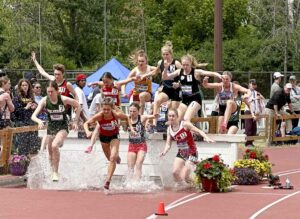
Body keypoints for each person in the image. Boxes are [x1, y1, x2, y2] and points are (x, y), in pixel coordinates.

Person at [31, 81, 81, 181]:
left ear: (57, 91)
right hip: (51, 128)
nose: (50, 94)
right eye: (48, 92)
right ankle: (51, 172)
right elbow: (33, 116)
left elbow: (78, 106)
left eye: (52, 92)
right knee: (50, 153)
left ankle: (55, 172)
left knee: (54, 145)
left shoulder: (63, 99)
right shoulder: (44, 101)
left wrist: (75, 121)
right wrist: (39, 121)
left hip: (63, 127)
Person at [83, 97, 133, 190]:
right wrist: (87, 132)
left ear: (112, 109)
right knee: (110, 159)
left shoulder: (116, 114)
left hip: (114, 136)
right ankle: (117, 157)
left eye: (108, 110)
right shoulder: (99, 116)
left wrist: (132, 128)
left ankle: (108, 181)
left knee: (112, 158)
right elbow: (86, 123)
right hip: (103, 137)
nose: (106, 111)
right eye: (104, 109)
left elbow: (127, 117)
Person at [160, 108, 214, 184]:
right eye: (169, 116)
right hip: (182, 153)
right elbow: (168, 144)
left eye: (173, 116)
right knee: (175, 173)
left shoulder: (184, 125)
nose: (171, 118)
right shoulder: (169, 129)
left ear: (177, 117)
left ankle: (196, 185)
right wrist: (164, 152)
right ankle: (185, 186)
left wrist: (207, 137)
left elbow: (198, 131)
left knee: (185, 176)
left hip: (192, 152)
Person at [161, 54, 221, 121]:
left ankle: (197, 128)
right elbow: (165, 77)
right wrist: (166, 68)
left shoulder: (195, 72)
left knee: (186, 118)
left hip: (195, 98)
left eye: (187, 65)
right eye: (183, 65)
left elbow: (210, 73)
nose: (185, 67)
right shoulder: (179, 72)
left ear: (190, 64)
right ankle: (188, 129)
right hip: (185, 99)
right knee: (177, 119)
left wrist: (219, 75)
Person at [141, 41, 182, 129]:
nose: (165, 56)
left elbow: (185, 75)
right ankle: (155, 123)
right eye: (163, 54)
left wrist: (178, 84)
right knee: (157, 101)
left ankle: (173, 128)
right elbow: (155, 72)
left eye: (167, 54)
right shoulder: (161, 62)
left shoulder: (177, 63)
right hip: (166, 88)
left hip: (175, 89)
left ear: (171, 54)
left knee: (172, 110)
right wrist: (145, 75)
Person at [122, 50, 156, 114]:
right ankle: (137, 119)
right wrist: (123, 92)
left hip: (147, 93)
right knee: (134, 112)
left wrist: (150, 73)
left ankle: (141, 116)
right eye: (139, 61)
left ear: (146, 61)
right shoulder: (135, 70)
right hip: (136, 94)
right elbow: (125, 82)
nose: (141, 63)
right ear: (137, 61)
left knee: (142, 95)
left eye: (143, 61)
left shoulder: (149, 68)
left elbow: (159, 69)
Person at [127, 102, 155, 180]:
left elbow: (152, 116)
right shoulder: (127, 118)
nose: (132, 113)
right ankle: (129, 183)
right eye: (130, 111)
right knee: (130, 167)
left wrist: (155, 114)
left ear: (138, 111)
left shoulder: (142, 118)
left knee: (138, 164)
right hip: (132, 145)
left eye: (134, 111)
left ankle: (136, 183)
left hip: (141, 145)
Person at [13, 79, 40, 155]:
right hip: (21, 123)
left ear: (29, 86)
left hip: (31, 122)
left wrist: (35, 106)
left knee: (33, 145)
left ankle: (31, 161)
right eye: (23, 85)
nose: (25, 87)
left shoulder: (31, 97)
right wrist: (25, 108)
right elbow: (15, 112)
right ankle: (22, 162)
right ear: (20, 86)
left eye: (26, 85)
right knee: (23, 145)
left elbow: (37, 109)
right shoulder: (17, 97)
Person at [244, 79, 265, 147]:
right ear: (249, 84)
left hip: (256, 112)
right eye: (252, 84)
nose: (253, 85)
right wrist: (254, 99)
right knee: (248, 127)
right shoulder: (247, 92)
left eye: (254, 84)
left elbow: (263, 99)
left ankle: (251, 142)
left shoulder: (257, 92)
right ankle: (248, 142)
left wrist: (260, 97)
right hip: (249, 111)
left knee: (254, 128)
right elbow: (246, 101)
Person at [0, 76, 15, 159]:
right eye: (8, 83)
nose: (10, 85)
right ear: (3, 83)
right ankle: (3, 165)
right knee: (4, 144)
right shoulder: (6, 94)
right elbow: (12, 109)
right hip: (4, 120)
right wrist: (9, 96)